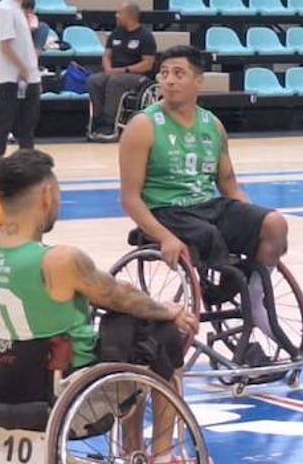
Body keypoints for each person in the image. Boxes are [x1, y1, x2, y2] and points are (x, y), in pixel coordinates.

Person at [0, 149, 198, 464]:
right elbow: (121, 297)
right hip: (68, 395)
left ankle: (135, 452)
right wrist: (169, 310)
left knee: (129, 334)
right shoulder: (60, 260)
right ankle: (161, 461)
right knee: (160, 335)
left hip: (2, 386)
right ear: (47, 195)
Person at [119, 45, 289, 325]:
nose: (169, 80)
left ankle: (254, 297)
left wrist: (254, 221)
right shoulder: (143, 125)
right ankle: (225, 288)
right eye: (163, 74)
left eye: (178, 73)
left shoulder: (213, 125)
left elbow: (229, 186)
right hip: (167, 210)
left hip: (207, 206)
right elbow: (130, 199)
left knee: (274, 224)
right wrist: (165, 237)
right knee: (208, 235)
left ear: (199, 80)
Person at [0, 0, 41, 164]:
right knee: (4, 123)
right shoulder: (5, 9)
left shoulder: (16, 8)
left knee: (27, 125)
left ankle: (28, 164)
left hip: (25, 76)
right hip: (11, 77)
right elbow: (5, 45)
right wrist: (23, 68)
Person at [87, 2, 158, 142]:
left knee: (116, 81)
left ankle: (109, 123)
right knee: (94, 80)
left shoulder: (145, 36)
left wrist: (123, 70)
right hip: (115, 71)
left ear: (130, 15)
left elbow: (147, 64)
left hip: (137, 75)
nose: (116, 15)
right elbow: (107, 55)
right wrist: (107, 68)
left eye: (119, 12)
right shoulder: (116, 33)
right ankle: (97, 120)